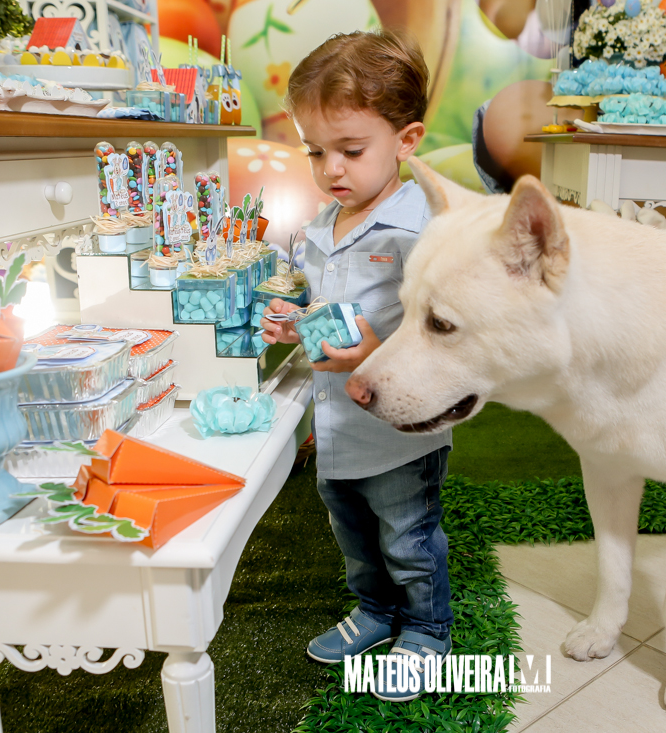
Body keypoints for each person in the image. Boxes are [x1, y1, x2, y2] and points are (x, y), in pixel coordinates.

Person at [258, 29, 453, 703]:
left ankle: (426, 628)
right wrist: (292, 319)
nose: (331, 169)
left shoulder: (419, 231)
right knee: (355, 536)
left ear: (406, 140)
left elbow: (442, 336)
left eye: (351, 150)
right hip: (337, 427)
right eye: (316, 151)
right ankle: (375, 610)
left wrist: (373, 351)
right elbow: (323, 307)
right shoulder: (320, 227)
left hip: (399, 433)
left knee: (408, 538)